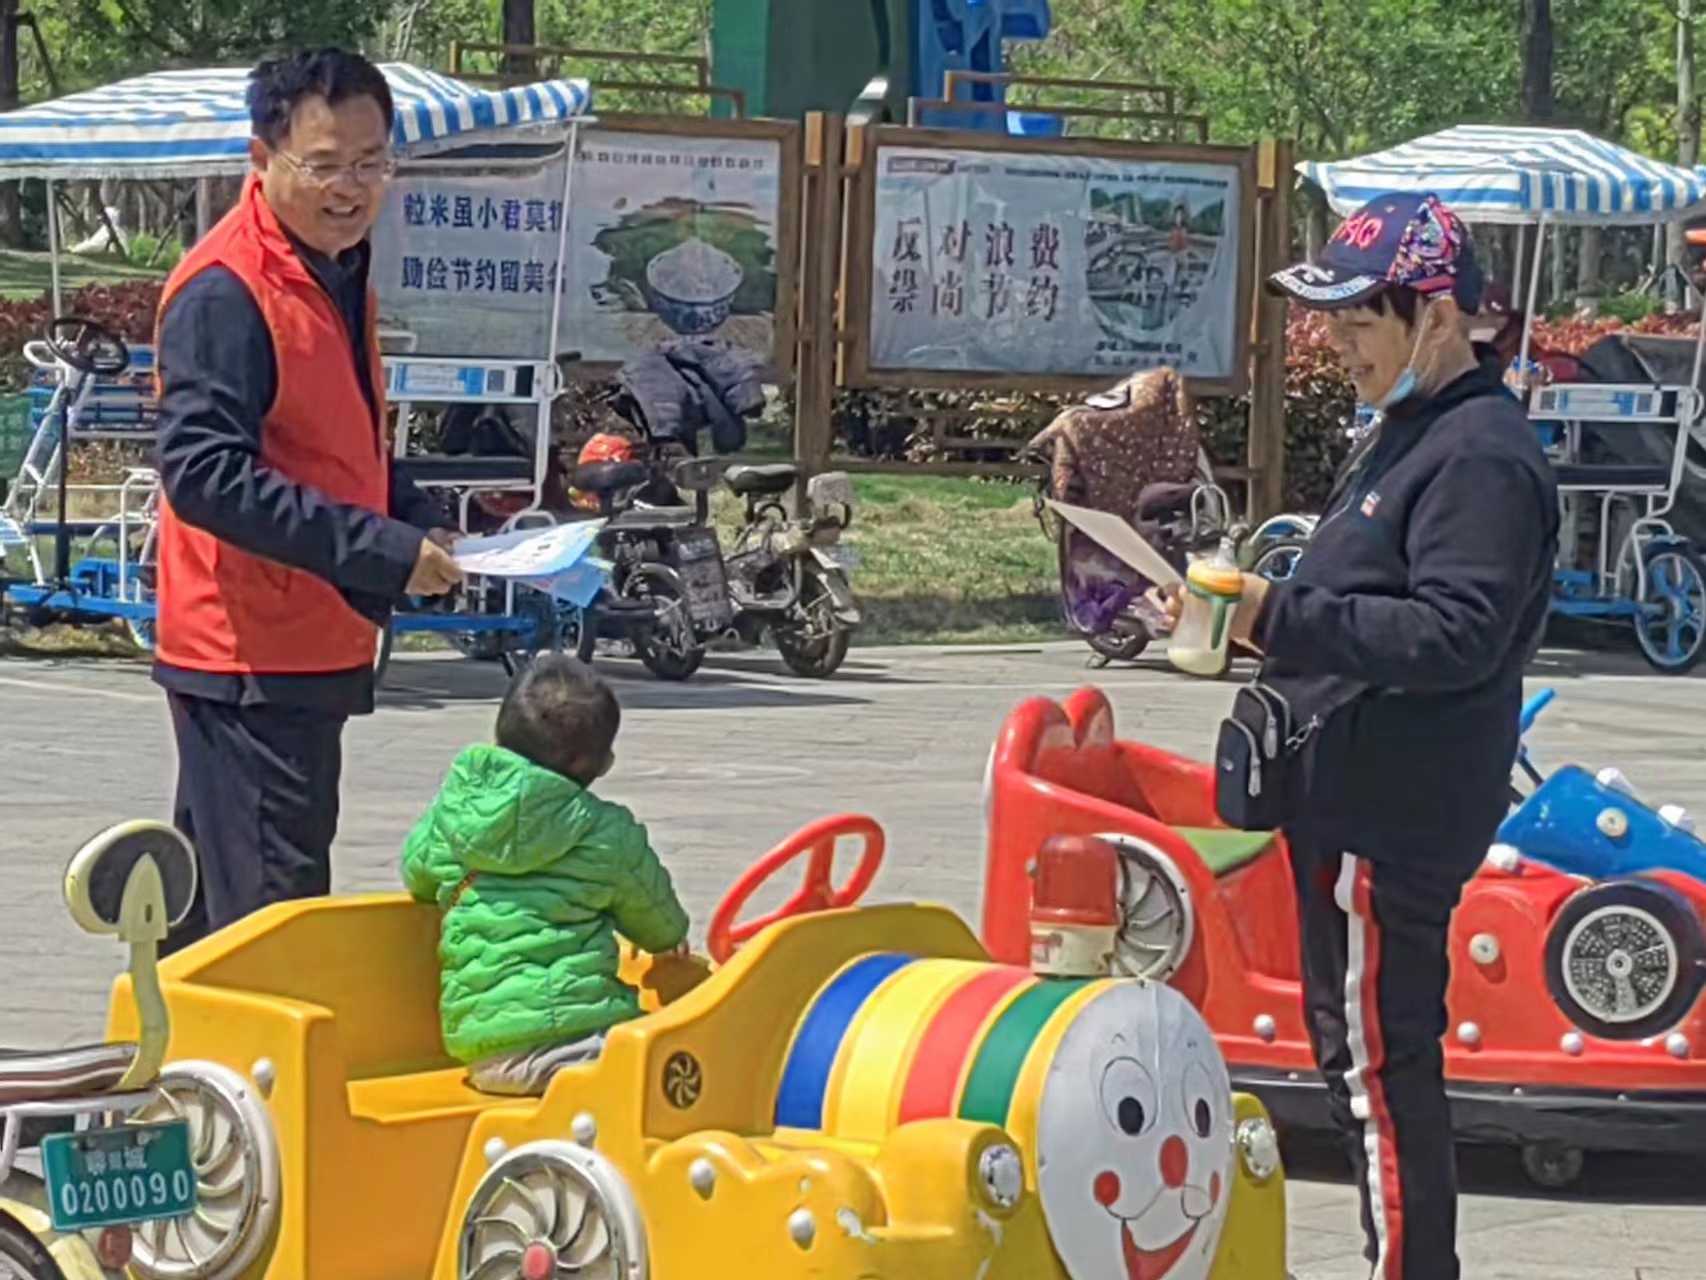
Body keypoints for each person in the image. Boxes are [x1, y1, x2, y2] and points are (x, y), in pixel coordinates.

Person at [1179, 193, 1559, 1280]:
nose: (1339, 344)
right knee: (1361, 1061)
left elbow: (1455, 633)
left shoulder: (1478, 456)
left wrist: (1276, 613)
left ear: (1433, 316)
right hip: (1350, 795)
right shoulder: (1414, 428)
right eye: (1333, 321)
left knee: (1377, 1075)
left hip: (1391, 814)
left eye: (1357, 322)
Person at [153, 48, 464, 954]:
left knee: (215, 918)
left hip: (308, 634)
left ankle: (173, 1046)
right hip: (249, 651)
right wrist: (381, 551)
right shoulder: (227, 288)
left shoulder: (334, 263)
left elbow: (333, 443)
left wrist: (414, 512)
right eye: (324, 165)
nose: (351, 189)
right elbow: (204, 474)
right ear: (263, 160)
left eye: (372, 163)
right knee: (273, 927)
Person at [401, 655, 689, 1095]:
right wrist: (669, 940)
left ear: (500, 736)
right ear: (596, 763)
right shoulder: (606, 833)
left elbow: (417, 874)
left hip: (486, 1054)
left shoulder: (453, 815)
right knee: (685, 1061)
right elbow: (656, 916)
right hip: (581, 1043)